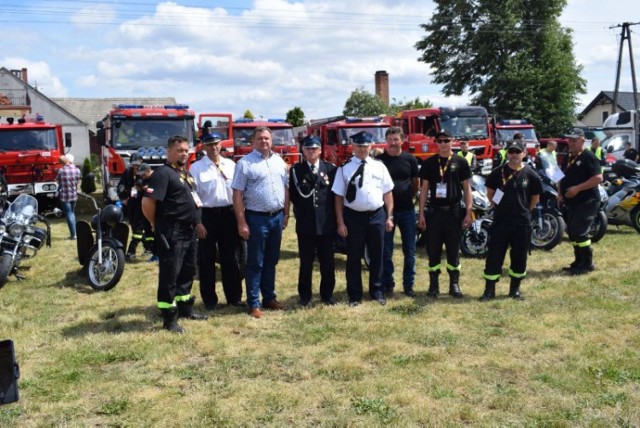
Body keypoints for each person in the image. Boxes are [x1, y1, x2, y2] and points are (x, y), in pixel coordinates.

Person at [142, 135, 208, 333]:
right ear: (169, 152)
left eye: (186, 150)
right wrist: (155, 224)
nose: (184, 153)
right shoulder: (163, 173)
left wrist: (197, 222)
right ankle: (169, 318)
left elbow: (192, 200)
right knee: (170, 275)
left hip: (189, 230)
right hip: (173, 232)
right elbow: (147, 203)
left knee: (187, 272)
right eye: (180, 150)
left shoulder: (185, 173)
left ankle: (185, 308)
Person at [232, 126, 289, 319]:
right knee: (255, 262)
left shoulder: (279, 161)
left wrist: (286, 214)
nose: (264, 141)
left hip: (276, 217)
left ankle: (269, 298)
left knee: (271, 261)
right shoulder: (245, 164)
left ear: (271, 141)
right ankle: (253, 303)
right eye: (260, 139)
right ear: (253, 142)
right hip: (256, 218)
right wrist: (242, 222)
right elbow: (237, 194)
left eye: (267, 138)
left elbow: (285, 188)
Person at [332, 130, 394, 307]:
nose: (362, 149)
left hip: (377, 214)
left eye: (365, 146)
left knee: (377, 255)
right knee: (353, 256)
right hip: (353, 216)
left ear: (371, 146)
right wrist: (340, 222)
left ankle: (377, 291)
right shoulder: (344, 168)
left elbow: (388, 193)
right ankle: (354, 295)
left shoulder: (379, 167)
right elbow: (337, 197)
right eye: (359, 146)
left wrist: (389, 216)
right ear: (353, 147)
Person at [479, 140, 542, 300]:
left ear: (524, 154)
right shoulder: (497, 172)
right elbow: (490, 194)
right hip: (501, 221)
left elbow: (535, 198)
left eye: (517, 151)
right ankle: (489, 290)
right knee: (494, 255)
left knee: (519, 256)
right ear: (507, 153)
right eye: (511, 151)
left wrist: (525, 210)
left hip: (522, 222)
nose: (514, 154)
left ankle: (515, 289)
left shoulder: (531, 174)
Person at [190, 132, 243, 311]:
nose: (213, 148)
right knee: (206, 260)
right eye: (209, 145)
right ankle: (210, 300)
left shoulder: (231, 165)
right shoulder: (196, 168)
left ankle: (234, 297)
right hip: (207, 215)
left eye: (216, 144)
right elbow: (193, 196)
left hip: (228, 214)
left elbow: (238, 192)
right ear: (203, 147)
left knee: (231, 258)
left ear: (221, 145)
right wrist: (198, 222)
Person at [418, 130, 473, 298]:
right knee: (433, 249)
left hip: (454, 212)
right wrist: (421, 213)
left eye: (446, 140)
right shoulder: (429, 163)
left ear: (452, 141)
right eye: (440, 141)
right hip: (434, 212)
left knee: (453, 249)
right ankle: (433, 285)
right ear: (436, 142)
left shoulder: (461, 162)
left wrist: (469, 212)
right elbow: (424, 189)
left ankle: (454, 285)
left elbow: (467, 188)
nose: (443, 143)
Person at [289, 135, 337, 307]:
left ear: (320, 150)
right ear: (303, 151)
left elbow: (334, 197)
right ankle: (305, 295)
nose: (311, 151)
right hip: (306, 224)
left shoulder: (331, 169)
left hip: (326, 224)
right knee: (306, 262)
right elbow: (294, 196)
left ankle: (327, 295)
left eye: (314, 148)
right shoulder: (296, 170)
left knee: (327, 262)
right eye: (308, 148)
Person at [378, 126, 419, 297]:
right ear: (386, 141)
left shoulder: (410, 159)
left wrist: (408, 196)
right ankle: (388, 283)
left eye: (396, 139)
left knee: (409, 251)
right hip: (385, 212)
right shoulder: (379, 161)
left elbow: (416, 182)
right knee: (386, 250)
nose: (393, 143)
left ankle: (408, 285)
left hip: (407, 211)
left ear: (402, 140)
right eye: (390, 139)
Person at [558, 128, 603, 275]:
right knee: (572, 231)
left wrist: (577, 188)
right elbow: (561, 176)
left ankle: (587, 263)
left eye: (573, 140)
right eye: (569, 140)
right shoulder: (568, 157)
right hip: (572, 202)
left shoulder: (588, 156)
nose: (570, 143)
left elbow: (598, 178)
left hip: (587, 200)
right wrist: (559, 193)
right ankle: (578, 261)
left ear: (582, 141)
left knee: (579, 231)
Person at [118, 155, 152, 260]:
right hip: (131, 203)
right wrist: (123, 197)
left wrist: (143, 188)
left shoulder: (144, 171)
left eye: (137, 164)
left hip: (142, 202)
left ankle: (131, 251)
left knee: (140, 227)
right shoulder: (128, 172)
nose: (136, 167)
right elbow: (121, 186)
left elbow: (149, 186)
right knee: (135, 226)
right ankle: (148, 248)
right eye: (134, 165)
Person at [56, 153, 81, 240]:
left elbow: (58, 182)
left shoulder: (61, 171)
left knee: (69, 214)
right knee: (72, 213)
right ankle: (76, 233)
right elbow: (78, 181)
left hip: (65, 196)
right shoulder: (77, 170)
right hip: (74, 195)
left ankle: (73, 235)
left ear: (61, 163)